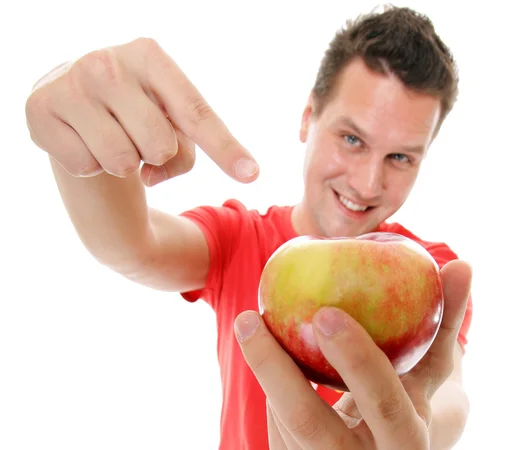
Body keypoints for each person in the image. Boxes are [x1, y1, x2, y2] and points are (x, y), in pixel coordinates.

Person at [25, 5, 473, 450]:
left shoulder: (432, 269)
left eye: (400, 157)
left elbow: (447, 389)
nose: (367, 182)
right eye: (351, 139)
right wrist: (78, 122)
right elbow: (130, 246)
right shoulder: (239, 238)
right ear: (308, 117)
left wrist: (422, 430)